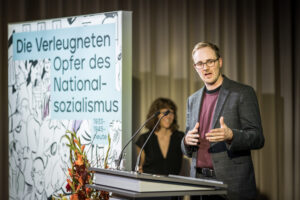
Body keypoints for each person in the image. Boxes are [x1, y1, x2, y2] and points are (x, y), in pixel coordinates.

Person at [181, 42, 265, 200]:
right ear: (195, 67)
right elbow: (187, 144)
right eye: (200, 63)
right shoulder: (192, 100)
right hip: (198, 183)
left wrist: (231, 135)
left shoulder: (242, 93)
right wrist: (186, 141)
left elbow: (258, 138)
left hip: (231, 185)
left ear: (220, 62)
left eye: (209, 61)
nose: (205, 68)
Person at [136, 97, 185, 175]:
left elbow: (185, 167)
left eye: (171, 113)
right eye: (165, 113)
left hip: (174, 185)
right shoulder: (144, 139)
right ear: (156, 115)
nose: (169, 116)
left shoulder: (181, 137)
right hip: (150, 184)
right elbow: (140, 168)